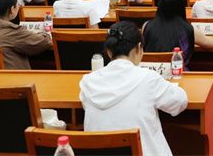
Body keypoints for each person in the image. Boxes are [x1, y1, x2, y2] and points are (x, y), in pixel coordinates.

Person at [80, 21, 187, 156]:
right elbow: (180, 102)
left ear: (109, 52)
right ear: (139, 48)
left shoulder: (88, 82)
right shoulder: (148, 79)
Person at [143, 0, 213, 67]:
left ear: (159, 6)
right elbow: (210, 44)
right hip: (179, 73)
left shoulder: (146, 26)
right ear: (181, 7)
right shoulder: (188, 29)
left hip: (150, 72)